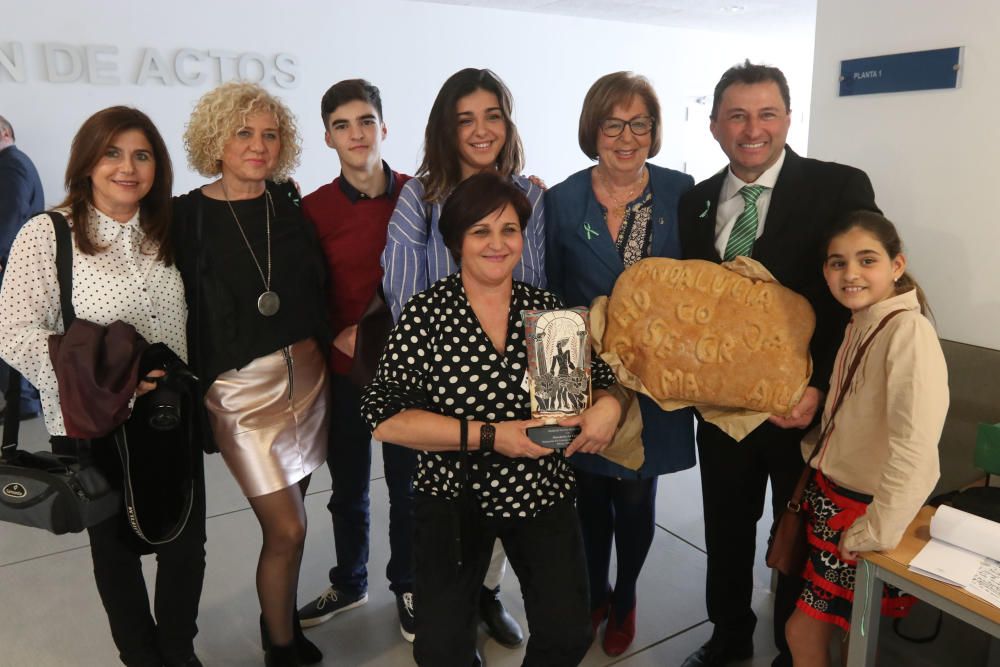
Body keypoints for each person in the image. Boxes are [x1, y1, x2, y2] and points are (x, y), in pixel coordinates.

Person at [362, 171, 623, 667]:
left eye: (509, 230)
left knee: (568, 636)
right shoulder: (427, 314)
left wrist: (609, 405)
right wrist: (491, 436)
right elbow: (385, 417)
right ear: (458, 240)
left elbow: (599, 384)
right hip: (453, 495)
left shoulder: (547, 313)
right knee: (440, 651)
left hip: (539, 488)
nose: (497, 244)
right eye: (481, 231)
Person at [677, 60, 880, 667]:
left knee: (800, 536)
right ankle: (730, 633)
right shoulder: (694, 203)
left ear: (789, 119)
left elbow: (857, 301)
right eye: (736, 115)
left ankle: (795, 648)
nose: (752, 128)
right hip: (723, 412)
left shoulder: (838, 187)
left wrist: (820, 387)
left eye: (767, 113)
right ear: (715, 125)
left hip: (804, 408)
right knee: (727, 529)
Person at [0, 106, 206, 667]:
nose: (127, 167)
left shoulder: (167, 230)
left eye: (141, 155)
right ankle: (141, 657)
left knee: (186, 545)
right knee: (115, 551)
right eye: (112, 152)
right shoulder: (50, 233)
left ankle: (179, 653)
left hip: (170, 417)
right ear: (87, 161)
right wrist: (110, 382)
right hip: (92, 424)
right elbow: (14, 332)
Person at [380, 66, 546, 647]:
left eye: (493, 116)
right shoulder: (419, 196)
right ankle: (435, 597)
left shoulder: (528, 195)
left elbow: (536, 286)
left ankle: (488, 594)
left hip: (512, 385)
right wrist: (448, 376)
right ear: (445, 129)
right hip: (439, 389)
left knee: (507, 497)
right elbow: (403, 297)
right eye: (465, 119)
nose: (481, 130)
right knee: (441, 509)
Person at [173, 82, 331, 667]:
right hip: (239, 392)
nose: (258, 146)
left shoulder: (288, 202)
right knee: (287, 527)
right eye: (244, 133)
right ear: (216, 140)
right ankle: (282, 649)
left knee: (296, 520)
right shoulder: (187, 215)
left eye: (270, 134)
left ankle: (277, 621)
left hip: (308, 378)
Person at [544, 71, 696, 656]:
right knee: (585, 496)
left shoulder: (683, 193)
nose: (627, 136)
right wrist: (560, 385)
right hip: (579, 372)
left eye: (640, 123)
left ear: (654, 131)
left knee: (634, 497)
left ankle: (626, 594)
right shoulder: (561, 200)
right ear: (594, 129)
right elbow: (549, 292)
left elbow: (700, 291)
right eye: (614, 124)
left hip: (655, 377)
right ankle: (592, 595)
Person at [785, 211, 948, 666]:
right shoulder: (864, 322)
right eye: (837, 263)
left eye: (866, 260)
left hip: (863, 512)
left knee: (802, 632)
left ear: (897, 265)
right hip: (836, 501)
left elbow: (916, 448)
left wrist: (876, 529)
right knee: (842, 632)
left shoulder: (908, 332)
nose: (850, 273)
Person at [296, 79, 419, 642]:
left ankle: (409, 586)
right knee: (347, 488)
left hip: (410, 375)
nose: (356, 133)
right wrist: (332, 333)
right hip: (344, 374)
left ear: (384, 128)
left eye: (366, 121)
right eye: (343, 125)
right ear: (328, 137)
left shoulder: (420, 195)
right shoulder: (313, 209)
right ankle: (349, 580)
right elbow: (302, 291)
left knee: (409, 486)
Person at [0, 114, 44, 422]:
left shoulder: (11, 164)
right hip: (11, 262)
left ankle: (24, 400)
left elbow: (10, 214)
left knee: (8, 333)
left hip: (8, 263)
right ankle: (23, 398)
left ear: (4, 132)